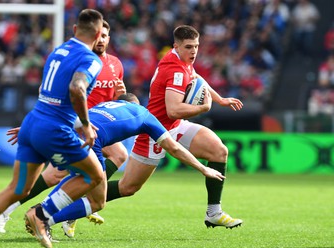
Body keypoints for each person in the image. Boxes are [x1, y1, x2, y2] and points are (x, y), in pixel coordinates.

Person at [0, 9, 104, 248]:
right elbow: (77, 88)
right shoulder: (91, 60)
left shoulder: (58, 51)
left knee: (19, 188)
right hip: (54, 129)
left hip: (33, 121)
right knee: (94, 175)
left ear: (75, 29)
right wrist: (86, 125)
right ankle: (42, 214)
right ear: (99, 34)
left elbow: (45, 90)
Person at [22, 93, 225, 242]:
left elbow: (69, 116)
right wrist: (202, 168)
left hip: (58, 134)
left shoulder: (104, 106)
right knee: (97, 202)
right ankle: (42, 217)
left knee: (76, 180)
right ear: (135, 104)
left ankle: (40, 214)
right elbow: (173, 148)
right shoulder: (144, 115)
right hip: (88, 144)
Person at [103, 25, 244, 229]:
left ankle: (214, 212)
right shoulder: (175, 69)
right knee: (128, 187)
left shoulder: (182, 59)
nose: (193, 51)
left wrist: (219, 99)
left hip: (175, 126)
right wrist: (204, 107)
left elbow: (197, 78)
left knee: (218, 151)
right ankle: (78, 199)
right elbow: (173, 110)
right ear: (176, 46)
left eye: (196, 46)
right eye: (188, 47)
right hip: (154, 130)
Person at [0, 20, 127, 233]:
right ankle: (23, 208)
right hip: (74, 124)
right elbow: (51, 94)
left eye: (104, 36)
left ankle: (24, 208)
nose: (100, 39)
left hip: (98, 126)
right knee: (114, 157)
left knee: (58, 175)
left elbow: (111, 99)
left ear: (108, 39)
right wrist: (36, 121)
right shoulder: (79, 61)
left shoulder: (115, 65)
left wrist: (120, 95)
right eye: (98, 35)